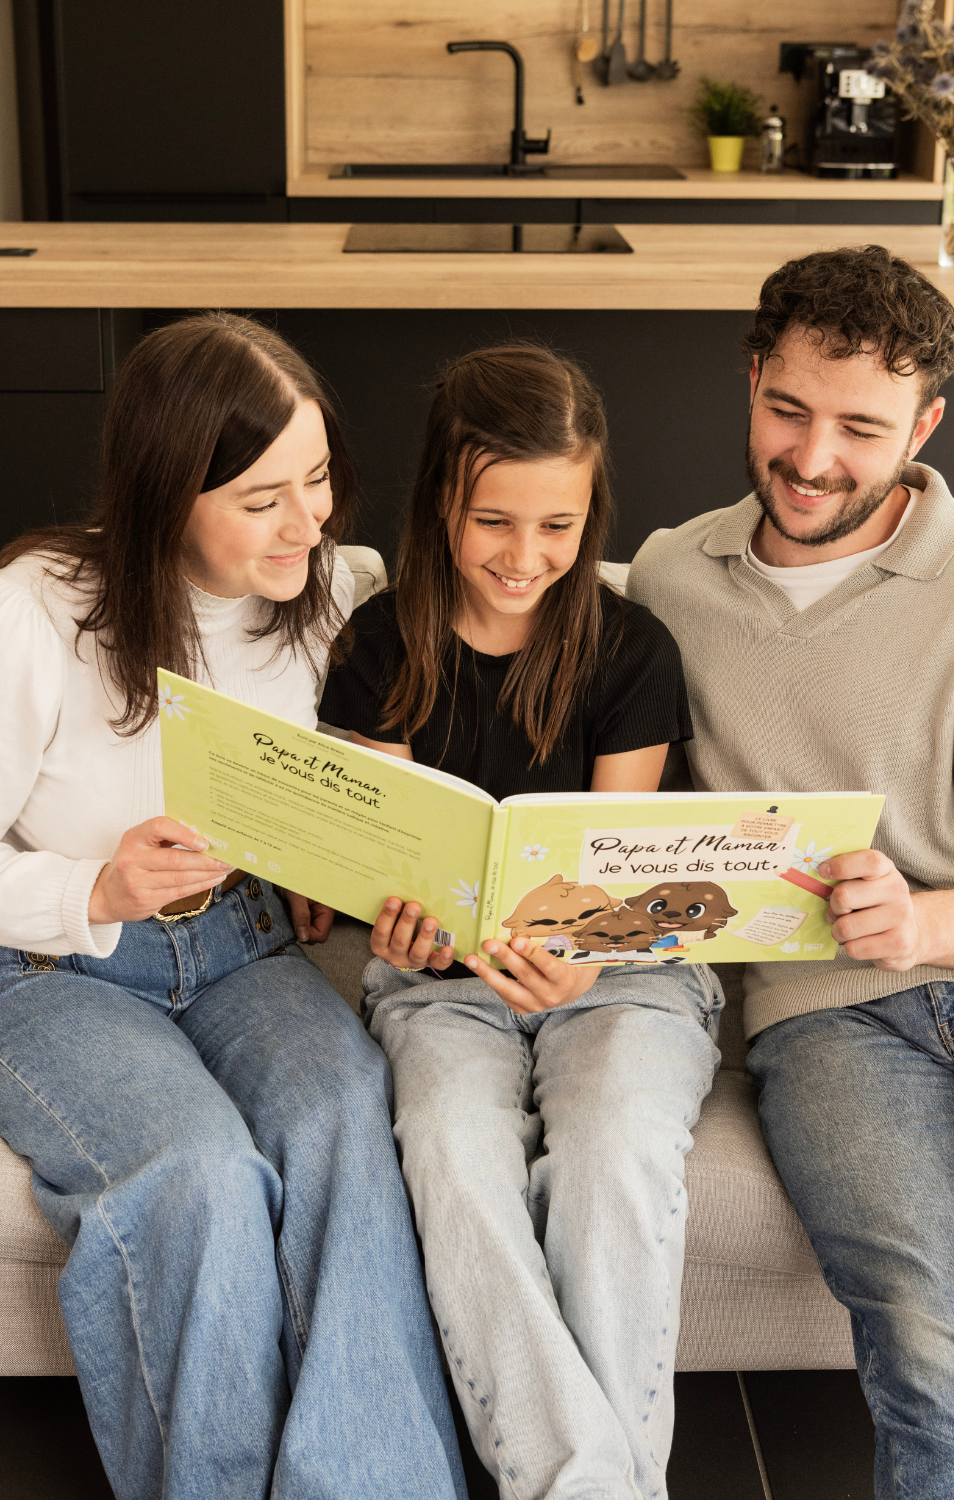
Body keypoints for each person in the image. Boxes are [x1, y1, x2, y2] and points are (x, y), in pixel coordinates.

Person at [0, 312, 467, 1500]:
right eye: (264, 498)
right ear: (168, 496)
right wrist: (92, 884)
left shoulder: (339, 589)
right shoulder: (40, 607)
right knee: (198, 1172)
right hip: (61, 965)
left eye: (317, 479)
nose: (308, 522)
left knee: (346, 1117)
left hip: (243, 947)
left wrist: (364, 873)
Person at [628, 243, 954, 1499]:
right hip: (824, 1019)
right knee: (924, 1329)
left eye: (859, 427)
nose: (811, 456)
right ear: (749, 381)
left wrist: (929, 918)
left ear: (925, 425)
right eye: (786, 408)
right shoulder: (673, 579)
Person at [320, 345, 724, 1500]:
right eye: (493, 521)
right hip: (440, 976)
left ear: (593, 510)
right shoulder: (379, 645)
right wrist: (396, 922)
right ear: (438, 502)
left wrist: (577, 960)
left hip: (617, 972)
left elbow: (609, 859)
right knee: (451, 1155)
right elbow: (383, 856)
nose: (525, 559)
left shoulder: (630, 647)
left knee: (612, 1151)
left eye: (559, 526)